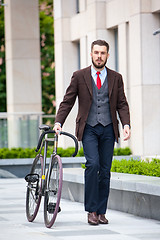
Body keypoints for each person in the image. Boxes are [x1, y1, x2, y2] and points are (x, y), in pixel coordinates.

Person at [53, 39, 131, 225]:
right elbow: (68, 101)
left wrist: (126, 124)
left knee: (105, 171)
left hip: (108, 129)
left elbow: (122, 103)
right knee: (93, 165)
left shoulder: (116, 77)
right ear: (91, 54)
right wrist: (58, 121)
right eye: (96, 53)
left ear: (107, 55)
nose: (99, 56)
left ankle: (101, 212)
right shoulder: (79, 76)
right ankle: (91, 211)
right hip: (88, 128)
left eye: (102, 53)